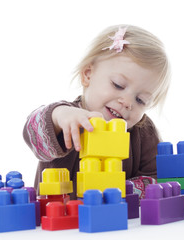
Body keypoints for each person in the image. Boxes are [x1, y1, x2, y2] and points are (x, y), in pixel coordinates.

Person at [23, 25, 171, 199]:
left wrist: (118, 188)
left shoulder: (142, 131)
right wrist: (58, 116)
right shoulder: (67, 118)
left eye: (141, 100)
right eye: (118, 85)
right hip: (61, 219)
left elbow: (158, 178)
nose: (128, 102)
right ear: (87, 74)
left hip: (119, 221)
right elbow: (33, 135)